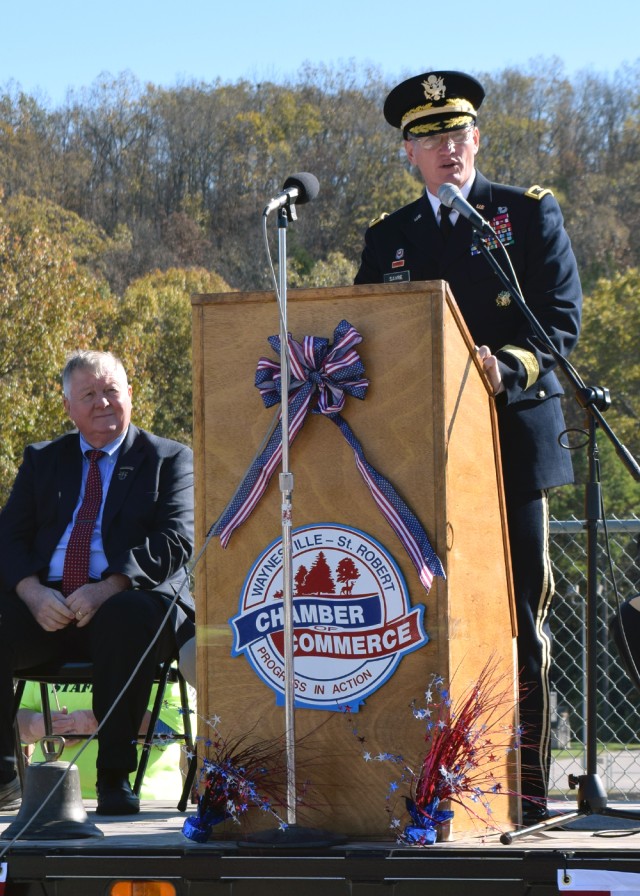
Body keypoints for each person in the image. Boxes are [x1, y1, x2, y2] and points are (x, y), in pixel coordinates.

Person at [354, 70, 583, 824]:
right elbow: (365, 340)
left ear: (476, 140)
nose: (447, 148)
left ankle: (527, 790)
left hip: (512, 444)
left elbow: (559, 326)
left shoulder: (525, 214)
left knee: (518, 617)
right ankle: (424, 789)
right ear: (407, 156)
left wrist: (504, 367)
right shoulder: (389, 240)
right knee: (415, 617)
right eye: (429, 138)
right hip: (417, 458)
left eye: (457, 134)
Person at [0, 349, 195, 815]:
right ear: (68, 406)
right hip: (48, 608)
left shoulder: (168, 458)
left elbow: (177, 539)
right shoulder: (42, 459)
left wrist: (108, 587)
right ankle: (5, 774)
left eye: (111, 391)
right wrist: (31, 592)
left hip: (131, 605)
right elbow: (8, 536)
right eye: (89, 394)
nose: (103, 402)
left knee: (123, 617)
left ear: (131, 395)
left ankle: (114, 776)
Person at [17, 672, 196, 801]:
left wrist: (98, 722)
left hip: (139, 805)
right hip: (50, 804)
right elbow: (16, 718)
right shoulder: (50, 647)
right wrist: (37, 724)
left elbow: (173, 726)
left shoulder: (148, 644)